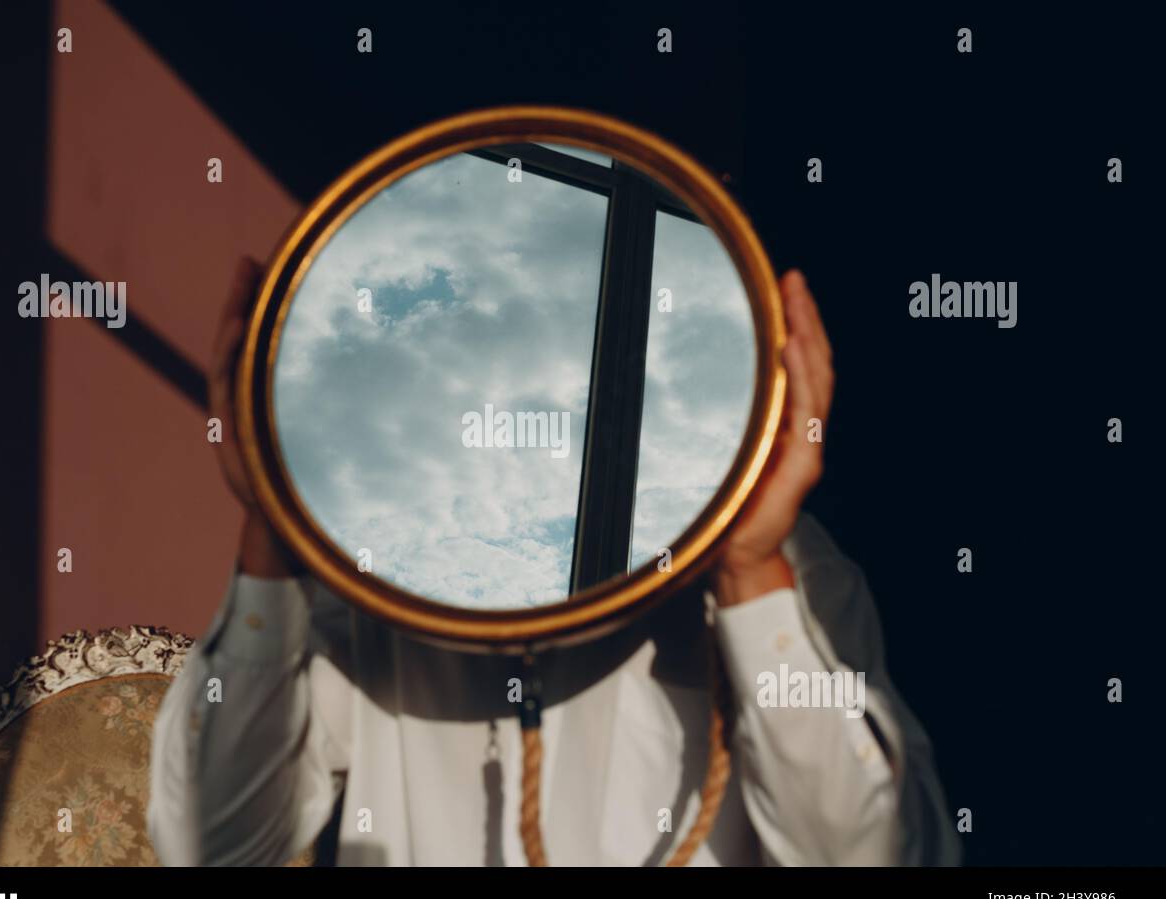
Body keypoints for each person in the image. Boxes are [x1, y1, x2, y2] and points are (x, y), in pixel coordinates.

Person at [147, 258, 961, 867]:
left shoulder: (789, 569)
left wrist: (751, 581)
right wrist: (273, 535)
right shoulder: (376, 576)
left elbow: (878, 855)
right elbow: (214, 847)